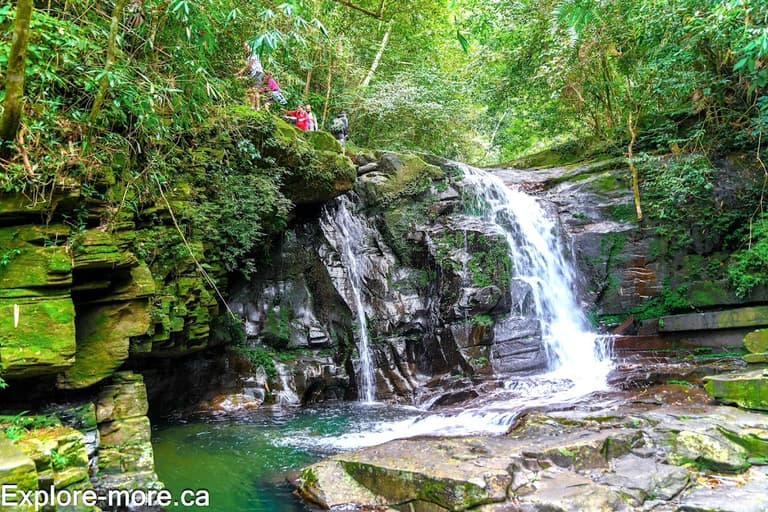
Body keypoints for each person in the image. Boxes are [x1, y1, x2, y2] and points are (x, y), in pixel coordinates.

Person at [235, 41, 264, 109]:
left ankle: (258, 107)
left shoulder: (254, 53)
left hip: (257, 73)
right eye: (244, 47)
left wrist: (241, 71)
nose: (245, 48)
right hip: (252, 74)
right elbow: (248, 67)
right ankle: (252, 106)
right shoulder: (249, 56)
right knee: (250, 90)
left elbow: (250, 65)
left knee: (255, 90)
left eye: (246, 46)